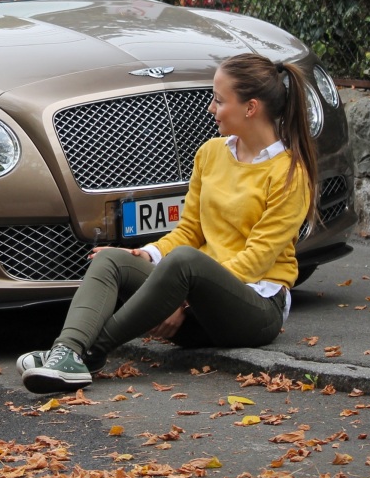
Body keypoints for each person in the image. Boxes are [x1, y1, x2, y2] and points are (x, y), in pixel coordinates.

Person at [19, 53, 318, 394]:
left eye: (219, 101)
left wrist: (183, 298)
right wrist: (146, 256)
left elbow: (256, 260)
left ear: (250, 108)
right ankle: (66, 352)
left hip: (255, 309)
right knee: (112, 259)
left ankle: (89, 353)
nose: (210, 109)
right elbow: (190, 231)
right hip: (196, 297)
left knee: (186, 263)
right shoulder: (210, 153)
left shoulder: (288, 174)